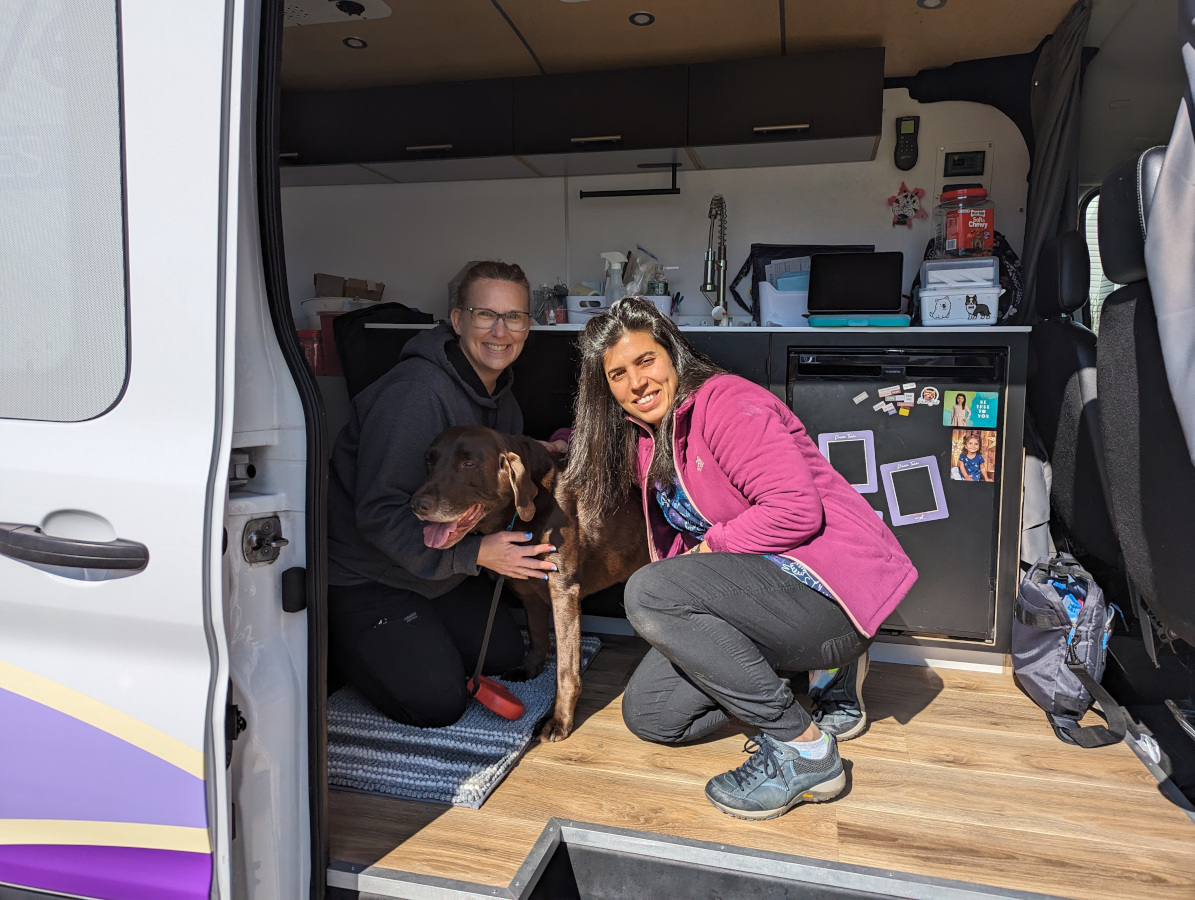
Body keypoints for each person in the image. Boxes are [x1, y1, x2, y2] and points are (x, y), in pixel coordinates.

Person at [564, 297, 917, 820]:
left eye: (645, 360)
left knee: (647, 589)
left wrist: (708, 550)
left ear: (672, 355)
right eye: (618, 374)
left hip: (825, 594)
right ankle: (811, 675)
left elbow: (795, 512)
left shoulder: (724, 403)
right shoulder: (648, 441)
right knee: (653, 717)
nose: (637, 382)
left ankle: (804, 748)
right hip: (762, 605)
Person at [325, 260, 557, 728]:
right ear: (457, 321)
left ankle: (414, 643)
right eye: (484, 314)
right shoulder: (415, 395)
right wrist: (476, 555)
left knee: (503, 653)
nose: (500, 331)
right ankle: (339, 649)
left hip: (434, 579)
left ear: (527, 327)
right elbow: (377, 514)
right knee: (438, 701)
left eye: (514, 317)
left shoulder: (503, 402)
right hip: (369, 580)